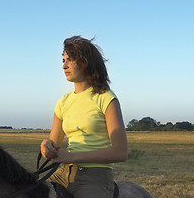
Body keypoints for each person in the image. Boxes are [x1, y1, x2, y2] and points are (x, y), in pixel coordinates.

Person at [41, 36, 128, 198]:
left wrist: (71, 156)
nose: (63, 66)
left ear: (86, 62)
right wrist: (46, 146)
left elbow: (121, 152)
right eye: (63, 60)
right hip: (63, 173)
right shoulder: (63, 102)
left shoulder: (106, 98)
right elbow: (54, 146)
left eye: (70, 60)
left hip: (95, 176)